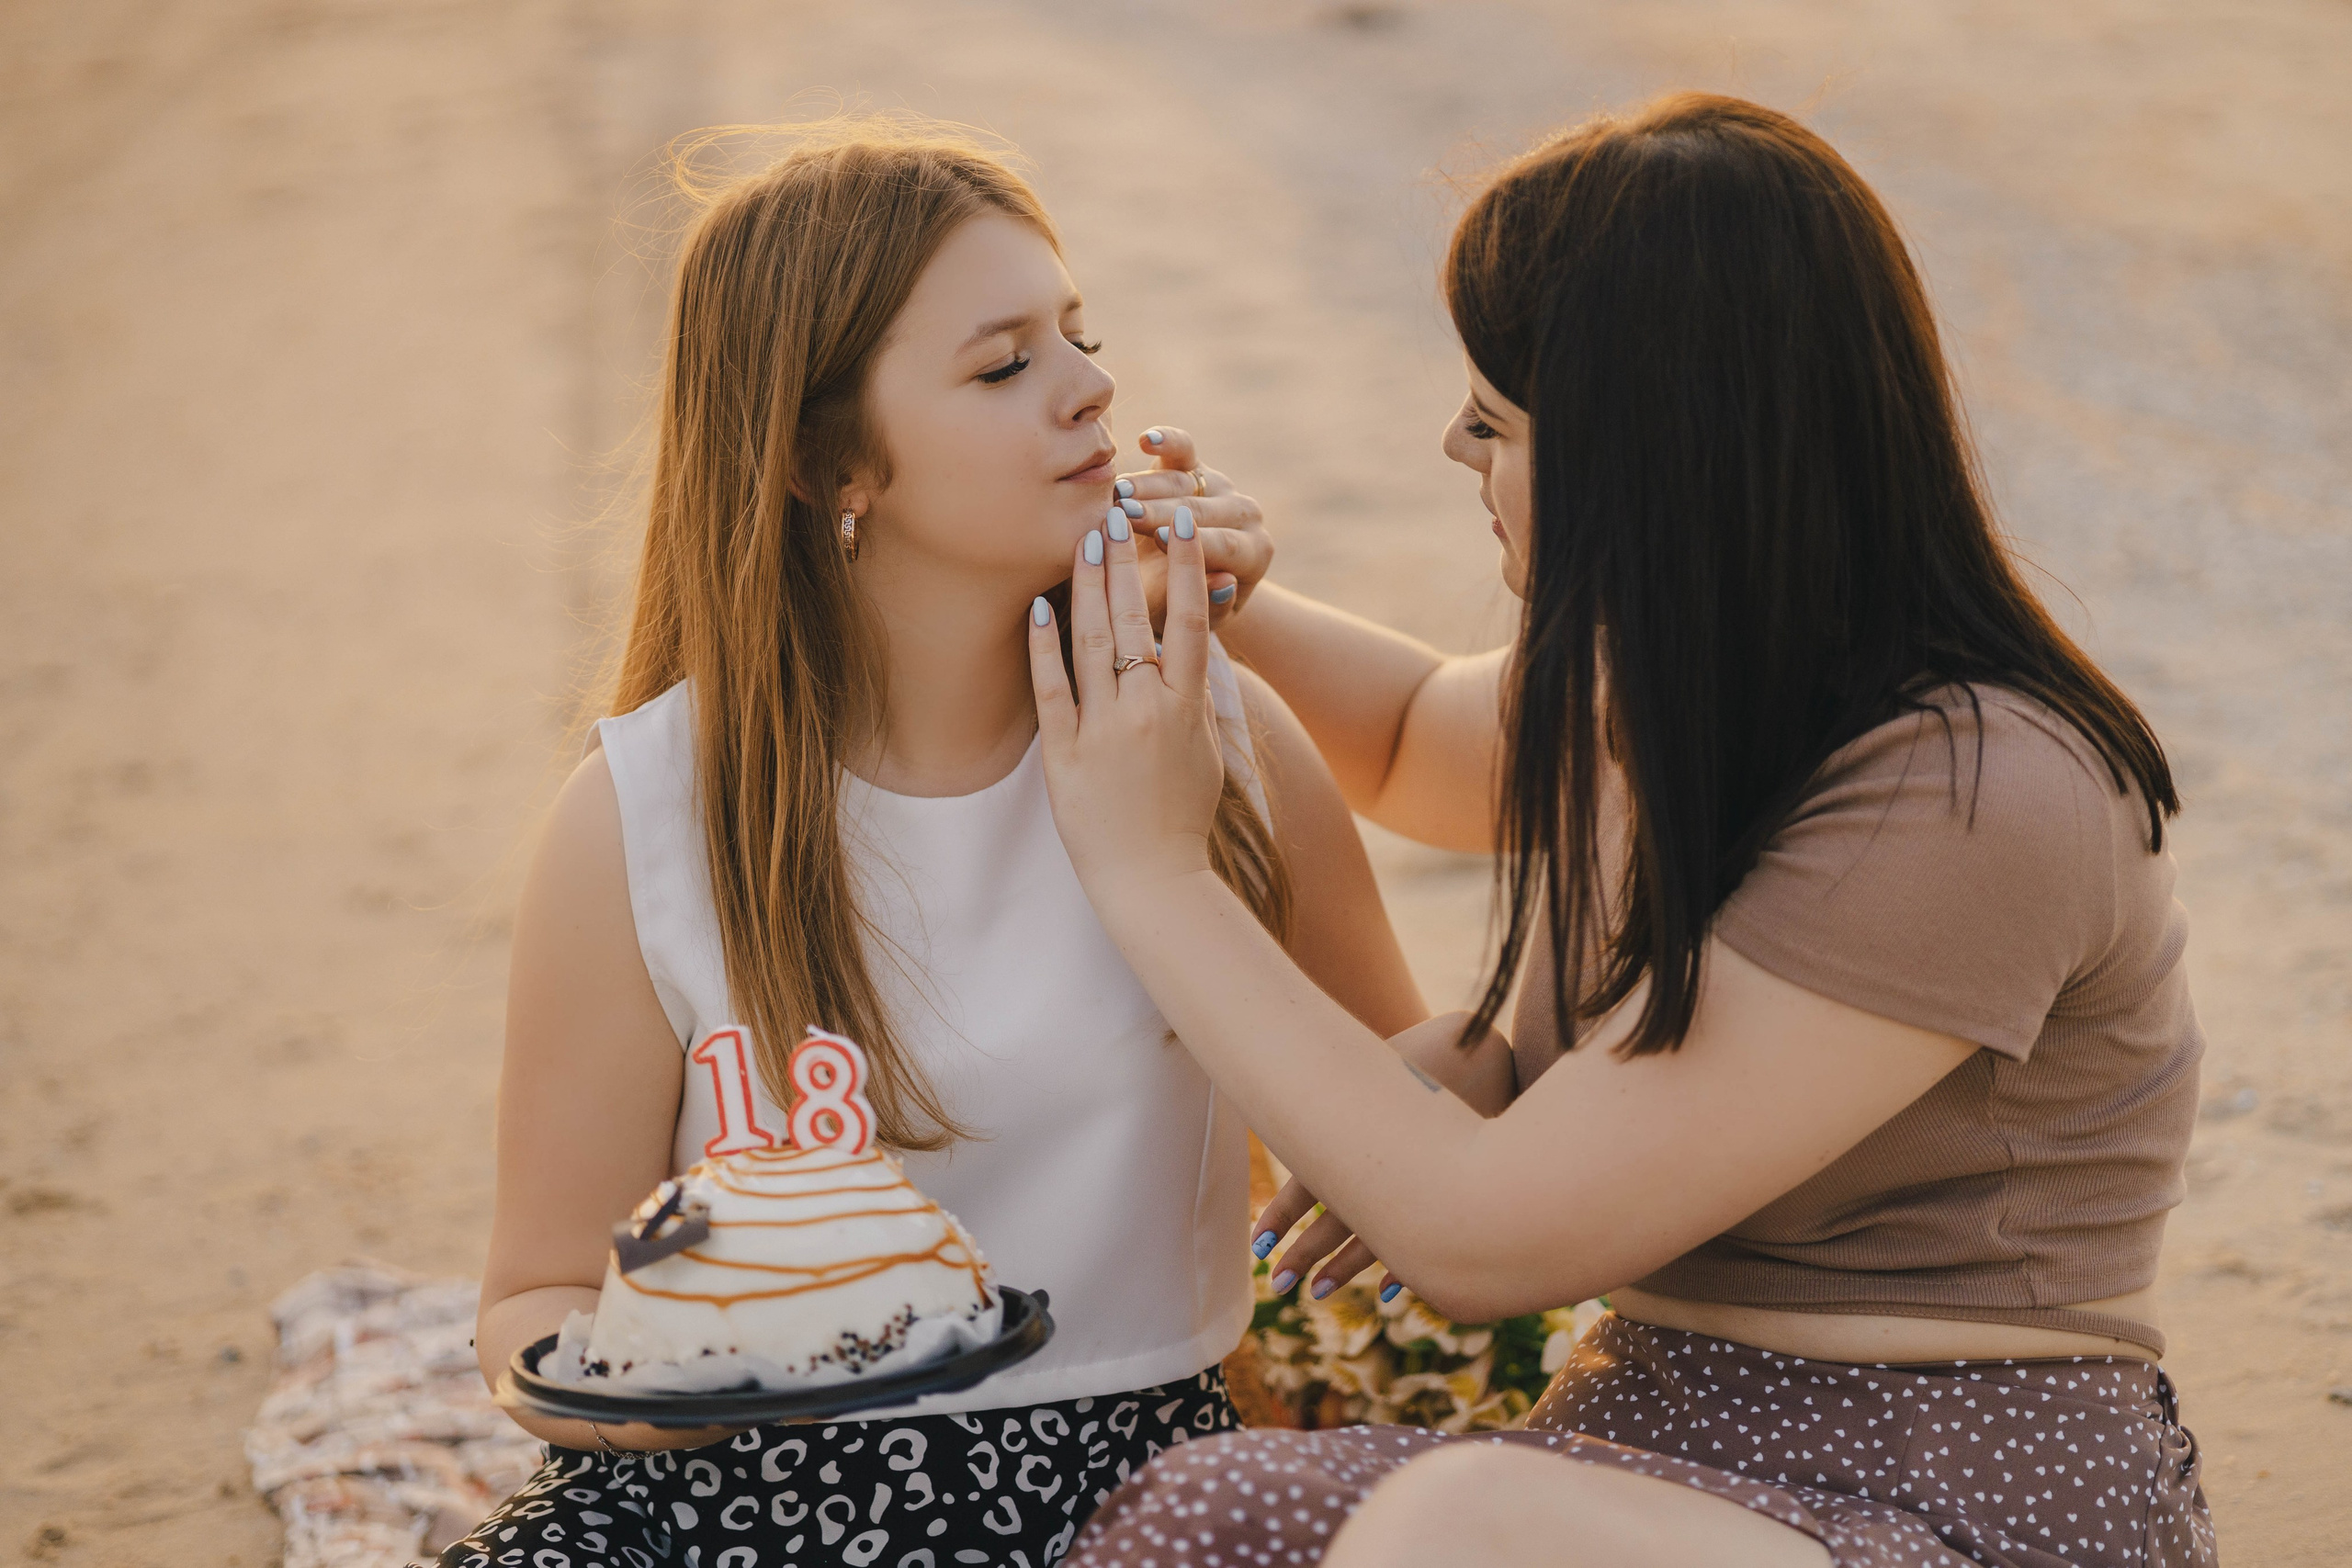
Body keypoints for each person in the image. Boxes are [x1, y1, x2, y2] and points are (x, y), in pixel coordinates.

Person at [1023, 94, 2215, 1568]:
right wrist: (1213, 595)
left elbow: (1483, 1240)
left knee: (1457, 1523)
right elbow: (1406, 741)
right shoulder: (1658, 685)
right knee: (1199, 1517)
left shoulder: (1976, 788)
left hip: (1947, 1480)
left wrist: (1150, 869)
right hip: (1648, 1425)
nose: (1453, 441)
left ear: (1658, 455)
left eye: (1498, 415)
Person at [444, 122, 1431, 1568]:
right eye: (1004, 364)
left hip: (1133, 1486)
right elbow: (532, 1296)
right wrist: (709, 1381)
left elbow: (1418, 1140)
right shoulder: (645, 815)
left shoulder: (1212, 739)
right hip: (723, 1496)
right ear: (825, 459)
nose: (1093, 388)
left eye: (1077, 336)